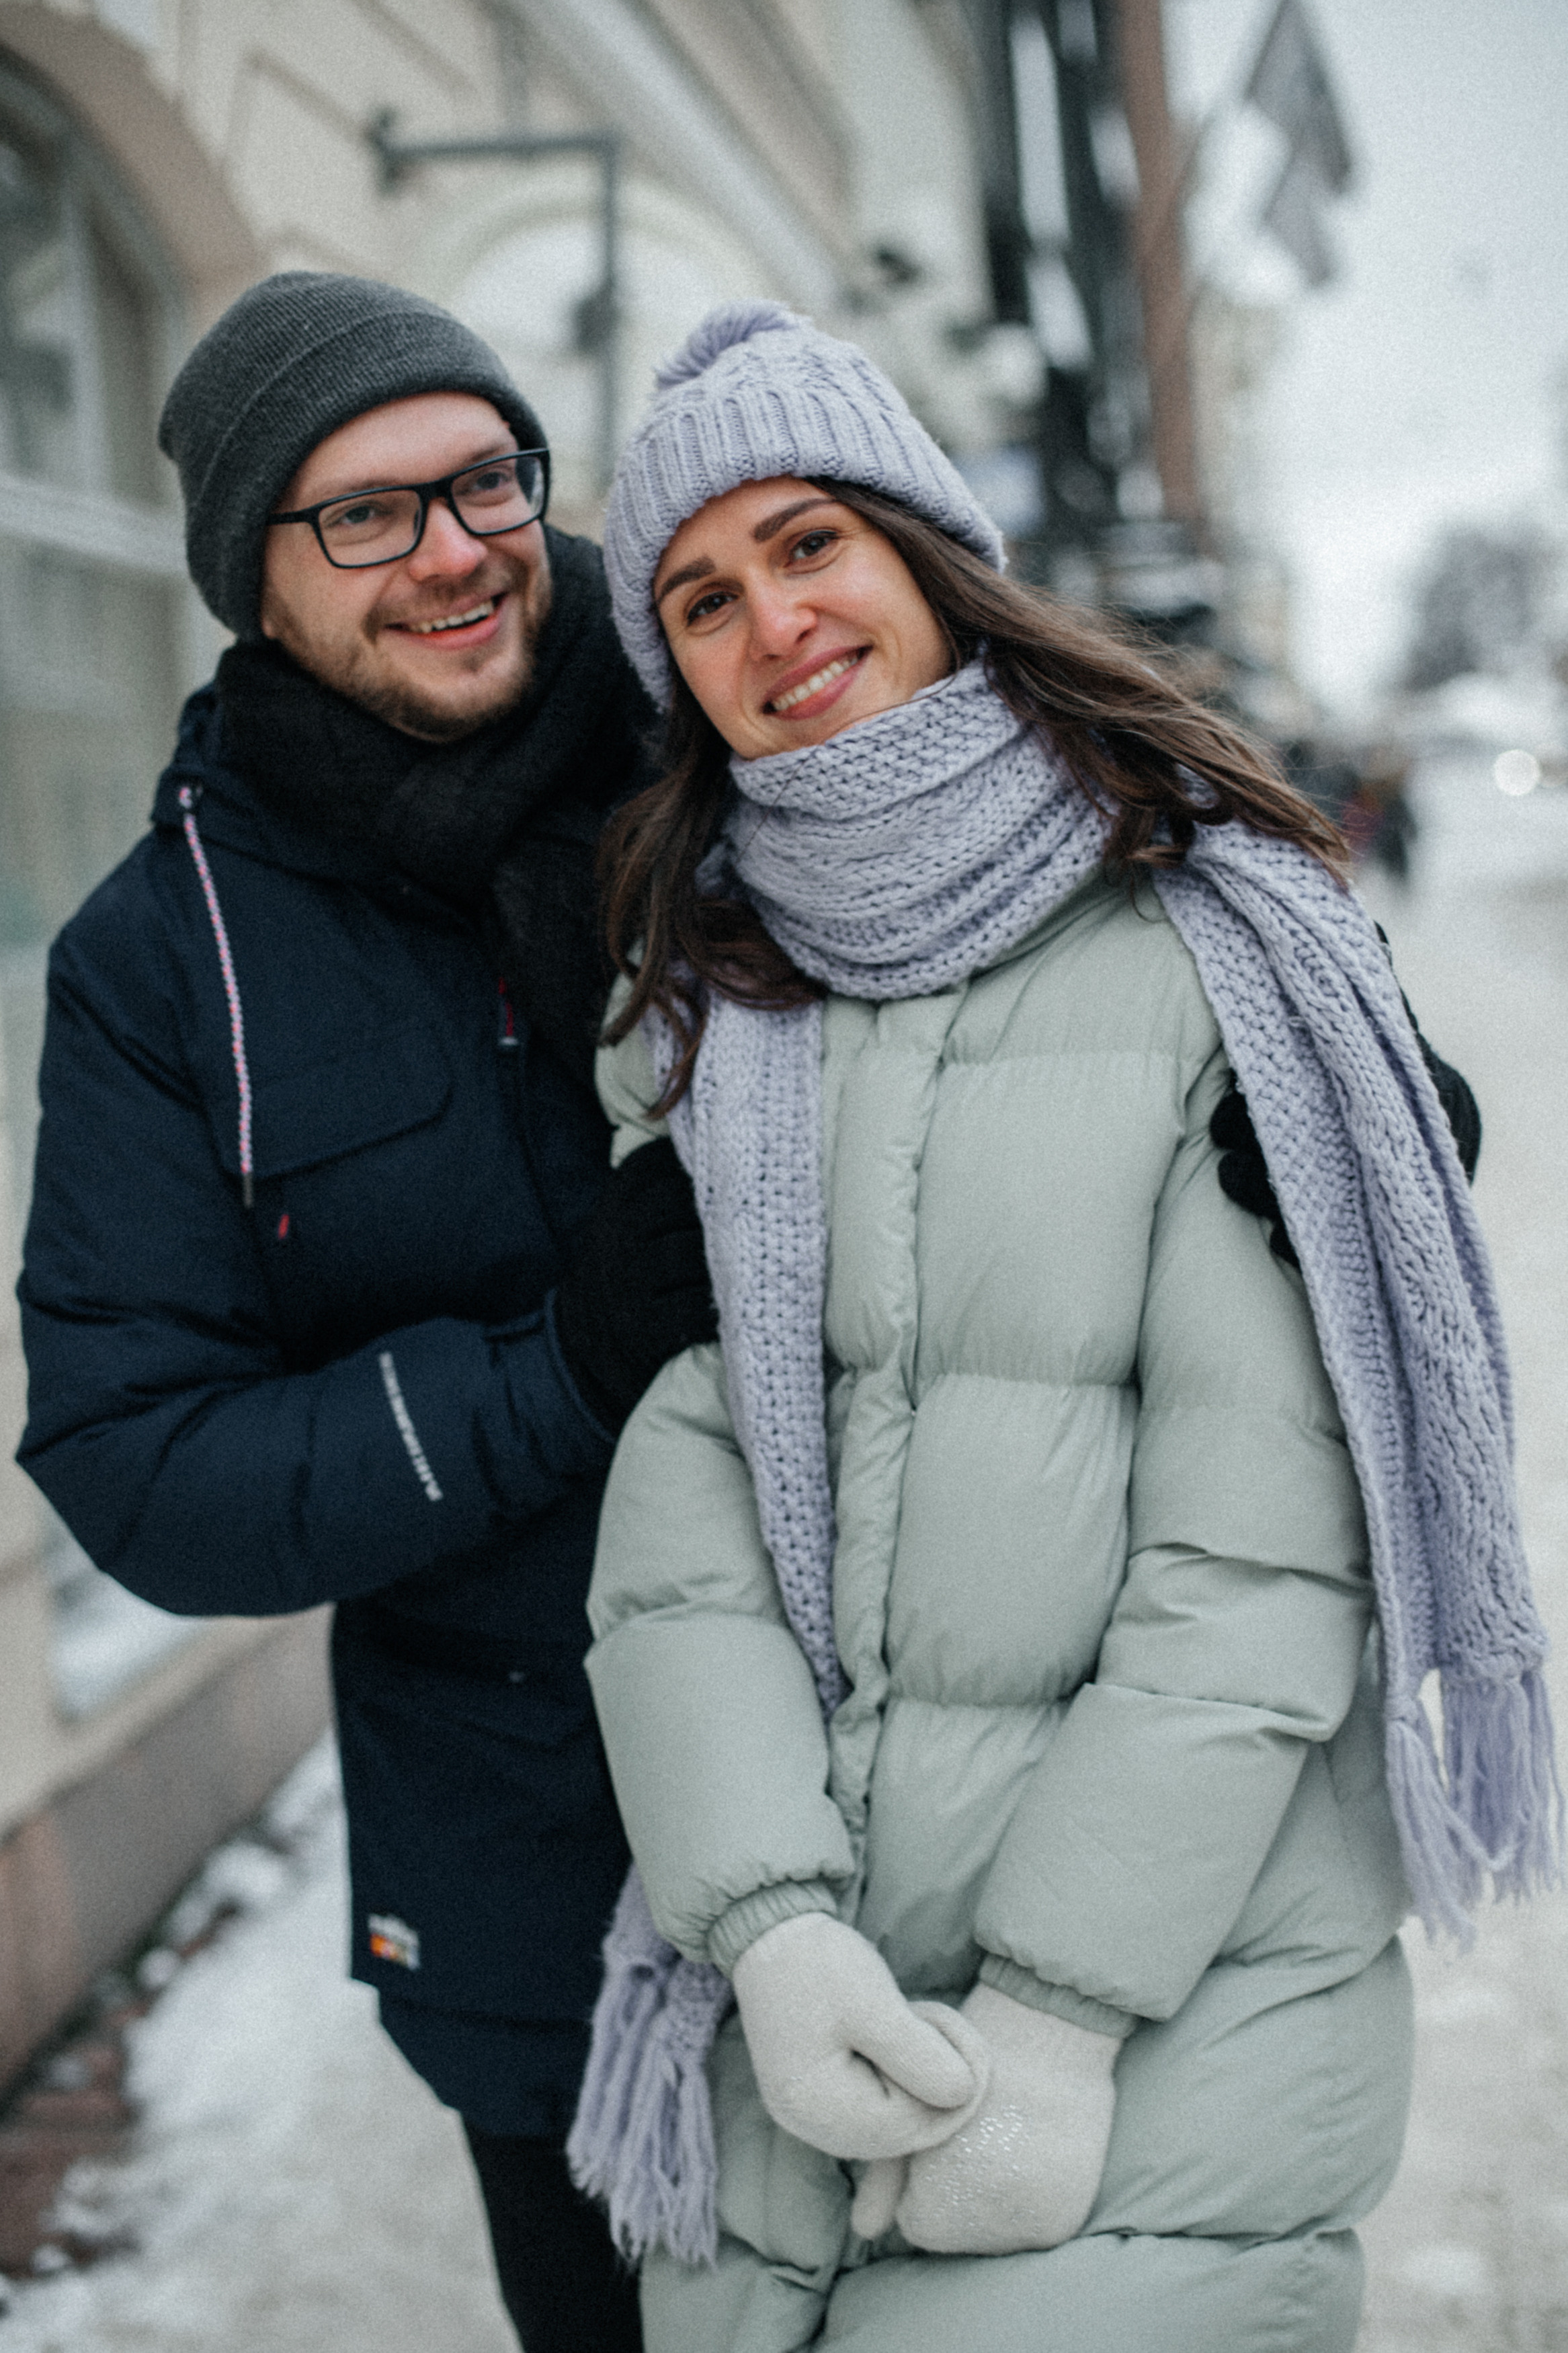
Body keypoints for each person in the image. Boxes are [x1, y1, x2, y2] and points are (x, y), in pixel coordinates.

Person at [564, 304, 1558, 2352]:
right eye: (703, 596)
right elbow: (687, 1541)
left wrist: (1059, 2013)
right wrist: (763, 1933)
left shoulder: (1223, 952)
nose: (774, 618)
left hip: (1178, 2023)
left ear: (927, 550)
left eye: (810, 541)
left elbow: (1260, 1558)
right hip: (799, 2051)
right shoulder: (700, 1013)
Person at [15, 272, 719, 2353]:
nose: (454, 551)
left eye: (482, 478)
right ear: (255, 572)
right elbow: (135, 1459)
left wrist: (1281, 1091)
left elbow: (1053, 897)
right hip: (537, 1869)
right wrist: (552, 1379)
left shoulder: (720, 736)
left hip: (917, 1775)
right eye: (366, 515)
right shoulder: (170, 956)